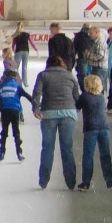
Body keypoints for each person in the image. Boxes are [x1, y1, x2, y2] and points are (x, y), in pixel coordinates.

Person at [31, 55, 81, 190]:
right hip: (68, 114)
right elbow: (77, 96)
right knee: (67, 147)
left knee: (47, 147)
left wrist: (36, 109)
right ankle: (71, 181)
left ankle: (43, 181)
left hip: (48, 113)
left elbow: (36, 93)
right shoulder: (70, 75)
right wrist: (75, 110)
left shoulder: (43, 75)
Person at [77, 74, 112, 191]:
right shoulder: (101, 97)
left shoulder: (84, 97)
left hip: (90, 128)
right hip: (104, 127)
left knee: (88, 156)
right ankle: (109, 181)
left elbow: (76, 107)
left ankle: (86, 182)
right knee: (105, 155)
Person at [0, 66, 29, 161]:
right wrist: (35, 104)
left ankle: (2, 152)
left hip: (5, 111)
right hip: (15, 110)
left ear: (5, 77)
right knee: (16, 132)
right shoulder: (17, 86)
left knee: (4, 132)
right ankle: (19, 153)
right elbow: (26, 95)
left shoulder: (3, 85)